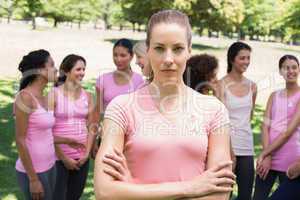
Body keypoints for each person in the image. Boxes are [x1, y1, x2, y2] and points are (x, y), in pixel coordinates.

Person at [94, 10, 235, 200]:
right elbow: (105, 192)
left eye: (177, 48)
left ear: (189, 50)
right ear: (148, 50)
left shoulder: (214, 110)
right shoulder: (121, 107)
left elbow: (219, 194)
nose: (168, 59)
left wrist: (132, 189)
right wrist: (190, 188)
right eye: (160, 48)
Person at [253, 55, 300, 200]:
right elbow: (265, 125)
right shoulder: (274, 96)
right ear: (280, 71)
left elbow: (288, 132)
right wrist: (266, 156)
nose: (290, 71)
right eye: (286, 67)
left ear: (299, 70)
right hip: (268, 160)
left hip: (290, 161)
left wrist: (264, 153)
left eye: (294, 67)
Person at [51, 54, 96, 200]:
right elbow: (47, 130)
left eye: (83, 69)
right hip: (58, 158)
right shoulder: (54, 94)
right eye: (78, 69)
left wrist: (86, 153)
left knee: (74, 196)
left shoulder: (87, 96)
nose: (82, 73)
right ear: (66, 71)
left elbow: (91, 127)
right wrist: (63, 157)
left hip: (82, 157)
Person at [15, 49, 58, 200]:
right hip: (34, 171)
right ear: (40, 70)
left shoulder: (45, 97)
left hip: (51, 165)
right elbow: (20, 140)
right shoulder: (25, 98)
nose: (56, 69)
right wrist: (33, 179)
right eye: (52, 65)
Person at [217, 42, 257, 200]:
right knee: (222, 194)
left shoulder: (253, 86)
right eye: (242, 58)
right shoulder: (221, 85)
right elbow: (220, 121)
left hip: (246, 147)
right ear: (232, 60)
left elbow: (250, 116)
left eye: (248, 58)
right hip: (226, 148)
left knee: (246, 195)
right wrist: (230, 152)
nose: (246, 61)